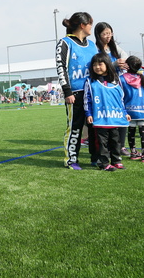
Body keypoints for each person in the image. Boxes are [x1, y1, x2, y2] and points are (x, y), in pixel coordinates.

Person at [55, 12, 98, 170]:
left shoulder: (92, 45)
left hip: (93, 93)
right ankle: (71, 159)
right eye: (90, 24)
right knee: (75, 127)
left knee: (95, 128)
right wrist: (67, 91)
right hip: (76, 93)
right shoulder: (65, 43)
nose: (91, 27)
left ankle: (96, 158)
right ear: (82, 25)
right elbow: (61, 68)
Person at [84, 53, 130, 171]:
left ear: (107, 65)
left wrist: (125, 113)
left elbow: (120, 99)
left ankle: (116, 160)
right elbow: (87, 99)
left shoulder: (115, 80)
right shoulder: (90, 82)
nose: (97, 67)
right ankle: (103, 163)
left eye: (100, 64)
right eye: (94, 65)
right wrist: (88, 114)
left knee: (116, 140)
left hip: (115, 117)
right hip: (100, 118)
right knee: (101, 142)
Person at [94, 22, 130, 156]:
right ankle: (108, 147)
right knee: (108, 116)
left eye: (110, 33)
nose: (108, 36)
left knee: (121, 114)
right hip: (104, 86)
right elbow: (96, 66)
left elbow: (126, 57)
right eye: (104, 34)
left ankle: (121, 146)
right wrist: (113, 64)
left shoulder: (114, 47)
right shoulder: (95, 49)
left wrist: (124, 63)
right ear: (98, 35)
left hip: (117, 85)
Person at [120, 56, 144, 162]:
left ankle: (133, 152)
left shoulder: (122, 78)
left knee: (131, 131)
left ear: (127, 66)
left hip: (129, 109)